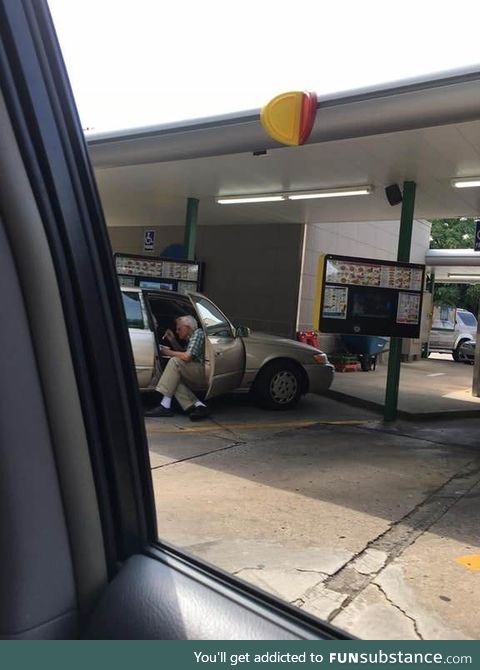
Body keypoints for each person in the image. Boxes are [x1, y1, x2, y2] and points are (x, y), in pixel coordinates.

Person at [144, 314, 210, 421]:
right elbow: (184, 353)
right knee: (173, 379)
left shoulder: (198, 333)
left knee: (175, 361)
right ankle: (199, 405)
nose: (177, 331)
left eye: (179, 329)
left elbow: (187, 357)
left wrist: (167, 352)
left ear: (187, 327)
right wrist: (172, 340)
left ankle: (165, 405)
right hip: (193, 370)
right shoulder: (190, 337)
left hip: (202, 372)